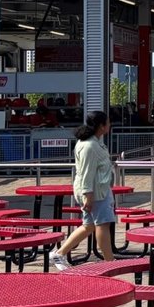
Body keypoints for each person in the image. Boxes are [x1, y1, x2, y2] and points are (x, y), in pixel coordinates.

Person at [50, 111, 116, 269]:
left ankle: (59, 253)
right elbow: (87, 172)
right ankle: (110, 263)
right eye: (107, 122)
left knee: (89, 225)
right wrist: (88, 195)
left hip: (97, 190)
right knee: (102, 224)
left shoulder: (92, 142)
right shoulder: (90, 146)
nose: (110, 124)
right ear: (101, 126)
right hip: (96, 192)